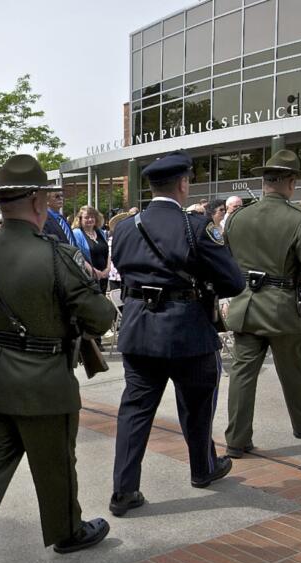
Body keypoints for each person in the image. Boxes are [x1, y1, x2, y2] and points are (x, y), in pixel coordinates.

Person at [0, 155, 118, 563]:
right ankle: (67, 531)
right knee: (56, 460)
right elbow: (100, 315)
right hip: (44, 379)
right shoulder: (55, 253)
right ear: (39, 201)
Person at [106, 152, 244, 517]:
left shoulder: (124, 227)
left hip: (139, 328)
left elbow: (120, 267)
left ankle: (124, 490)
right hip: (187, 330)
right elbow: (233, 280)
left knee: (135, 410)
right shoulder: (195, 226)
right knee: (197, 406)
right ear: (183, 184)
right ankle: (203, 469)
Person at [223, 149, 301, 457]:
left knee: (243, 373)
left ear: (264, 182)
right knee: (291, 369)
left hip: (245, 304)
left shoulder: (237, 217)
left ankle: (236, 438)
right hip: (282, 306)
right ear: (288, 181)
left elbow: (228, 260)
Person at [71, 206, 111, 292]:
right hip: (88, 278)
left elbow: (107, 252)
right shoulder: (77, 233)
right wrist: (93, 271)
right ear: (80, 219)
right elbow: (77, 255)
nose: (90, 219)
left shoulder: (100, 232)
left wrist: (108, 269)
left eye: (92, 217)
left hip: (103, 277)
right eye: (86, 217)